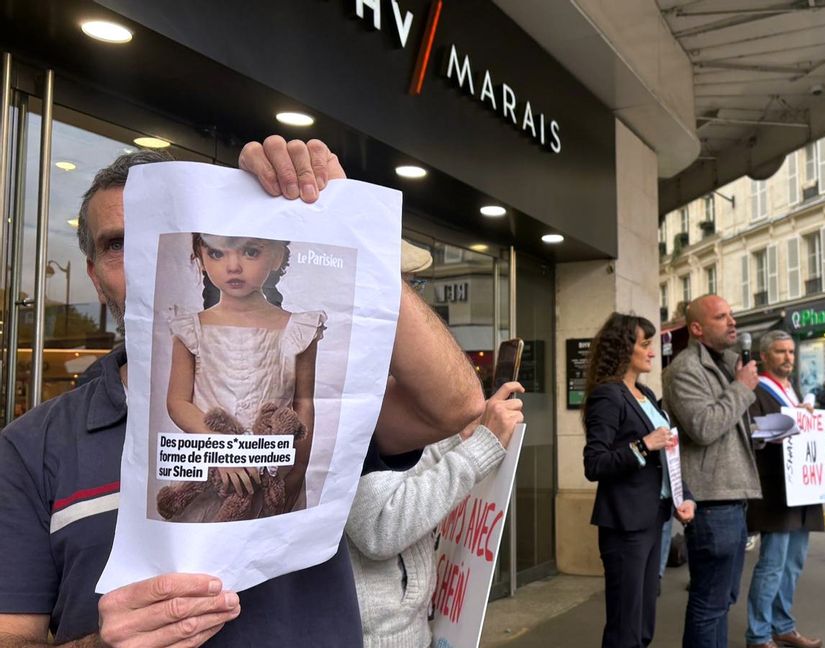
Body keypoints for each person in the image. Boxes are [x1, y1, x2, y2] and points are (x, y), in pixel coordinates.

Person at [0, 137, 485, 646]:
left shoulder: (316, 382)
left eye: (158, 231)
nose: (143, 256)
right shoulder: (32, 449)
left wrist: (343, 221)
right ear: (96, 278)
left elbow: (456, 405)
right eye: (118, 244)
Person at [346, 381, 525, 646]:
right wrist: (479, 450)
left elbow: (399, 475)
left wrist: (461, 437)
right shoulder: (350, 402)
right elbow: (380, 525)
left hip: (408, 628)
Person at [159, 234, 323, 522]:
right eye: (217, 254)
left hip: (275, 478)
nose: (233, 266)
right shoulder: (190, 328)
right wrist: (220, 448)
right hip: (212, 477)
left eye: (250, 252)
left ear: (277, 256)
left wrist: (298, 471)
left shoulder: (299, 329)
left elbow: (304, 403)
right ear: (200, 256)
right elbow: (177, 402)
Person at [583, 312, 696, 647]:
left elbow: (667, 455)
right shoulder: (608, 395)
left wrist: (684, 497)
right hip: (625, 525)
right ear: (623, 348)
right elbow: (594, 463)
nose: (652, 351)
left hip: (655, 518)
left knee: (643, 623)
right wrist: (643, 445)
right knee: (626, 627)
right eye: (645, 343)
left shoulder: (644, 392)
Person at [662, 295, 760, 648]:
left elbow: (728, 424)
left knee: (723, 599)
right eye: (721, 317)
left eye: (732, 315)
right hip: (711, 499)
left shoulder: (731, 364)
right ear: (697, 328)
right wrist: (742, 388)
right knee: (710, 603)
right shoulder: (684, 370)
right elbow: (703, 427)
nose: (732, 322)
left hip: (732, 494)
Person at [744, 331, 824, 648]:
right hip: (775, 489)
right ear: (764, 356)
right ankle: (759, 634)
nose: (788, 357)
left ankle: (783, 625)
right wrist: (783, 426)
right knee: (772, 565)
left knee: (793, 565)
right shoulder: (755, 390)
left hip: (802, 490)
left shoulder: (793, 390)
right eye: (780, 352)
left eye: (791, 351)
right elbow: (749, 434)